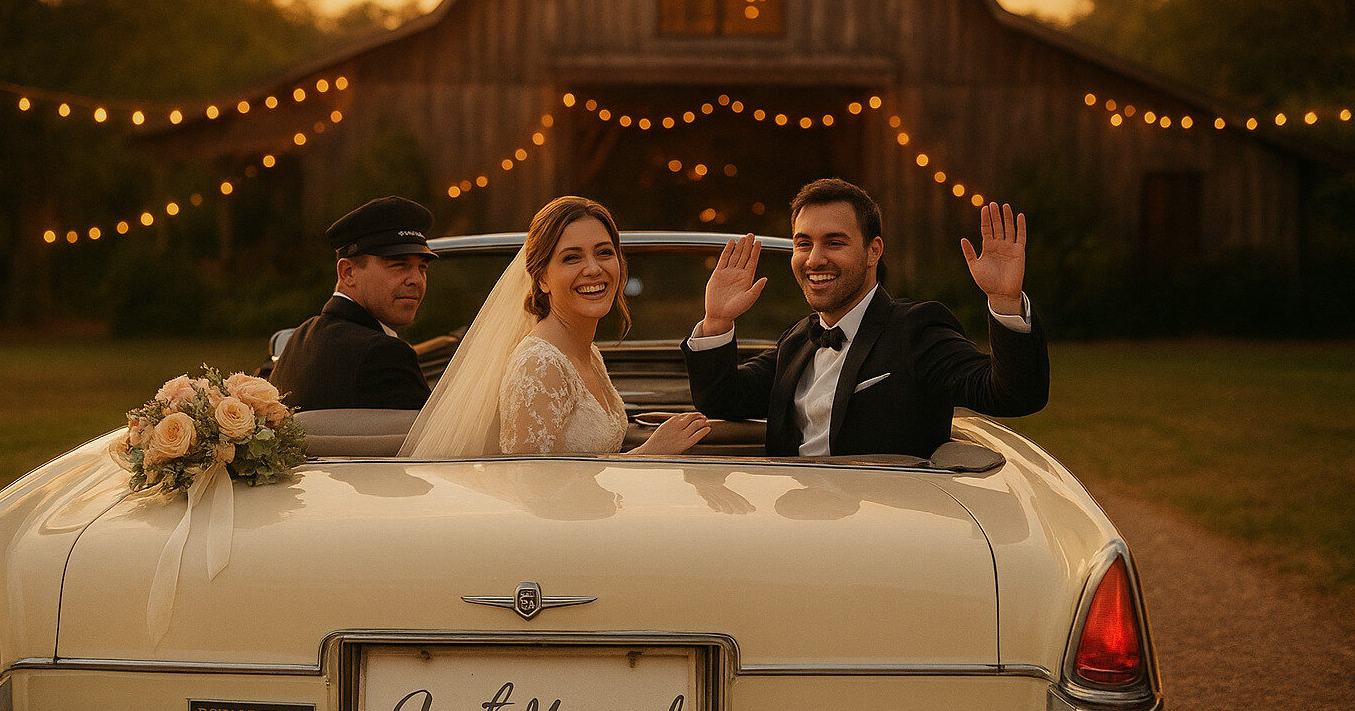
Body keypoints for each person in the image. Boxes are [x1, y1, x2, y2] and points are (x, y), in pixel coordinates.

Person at [682, 177, 1049, 459]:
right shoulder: (798, 340)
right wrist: (716, 321)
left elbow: (1012, 396)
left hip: (881, 532)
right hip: (789, 524)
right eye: (803, 243)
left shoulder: (915, 330)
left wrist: (1005, 301)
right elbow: (722, 400)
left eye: (834, 243)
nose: (814, 259)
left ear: (873, 251)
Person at [400, 197, 710, 458]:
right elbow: (535, 490)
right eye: (571, 258)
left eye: (604, 252)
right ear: (542, 279)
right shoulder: (539, 363)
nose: (593, 269)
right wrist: (649, 453)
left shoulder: (589, 353)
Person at [268, 196, 436, 411]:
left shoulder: (301, 337)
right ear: (348, 273)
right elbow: (432, 443)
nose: (416, 280)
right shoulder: (384, 355)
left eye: (422, 268)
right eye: (399, 265)